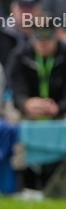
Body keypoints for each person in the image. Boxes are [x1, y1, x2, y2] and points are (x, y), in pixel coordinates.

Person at [6, 23, 66, 188]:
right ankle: (21, 184)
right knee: (11, 123)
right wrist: (26, 103)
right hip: (28, 110)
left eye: (48, 36)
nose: (43, 42)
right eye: (38, 36)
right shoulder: (20, 55)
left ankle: (59, 184)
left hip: (60, 110)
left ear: (57, 35)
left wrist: (58, 107)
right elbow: (16, 90)